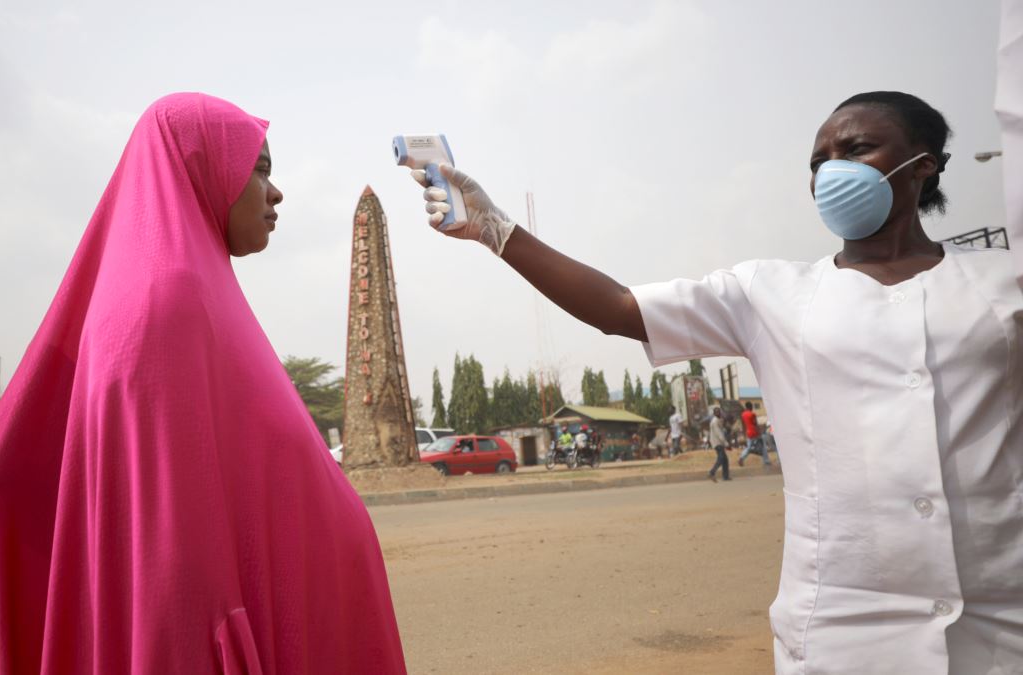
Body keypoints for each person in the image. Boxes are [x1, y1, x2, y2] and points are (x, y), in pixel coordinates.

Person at [406, 91, 1023, 672]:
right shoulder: (768, 293)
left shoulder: (1003, 285)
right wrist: (495, 229)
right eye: (819, 161)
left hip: (999, 619)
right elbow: (619, 308)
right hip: (844, 625)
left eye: (857, 150)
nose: (833, 169)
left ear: (925, 165)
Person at [0, 94, 407, 674]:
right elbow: (173, 549)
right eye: (258, 168)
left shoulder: (193, 287)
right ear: (199, 167)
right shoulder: (165, 301)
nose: (275, 191)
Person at [738, 401, 769, 467]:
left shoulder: (743, 414)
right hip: (755, 433)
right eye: (752, 406)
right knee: (763, 446)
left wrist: (744, 434)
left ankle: (742, 457)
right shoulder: (752, 414)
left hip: (748, 433)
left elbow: (743, 425)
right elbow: (755, 424)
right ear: (750, 407)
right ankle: (766, 461)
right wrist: (759, 432)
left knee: (748, 447)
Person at [707, 406, 730, 482]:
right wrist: (726, 444)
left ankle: (725, 476)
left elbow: (722, 430)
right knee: (721, 459)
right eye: (716, 412)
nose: (718, 413)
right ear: (714, 413)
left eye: (719, 411)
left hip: (718, 442)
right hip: (717, 442)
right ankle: (712, 472)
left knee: (725, 460)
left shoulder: (719, 420)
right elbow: (719, 434)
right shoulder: (715, 421)